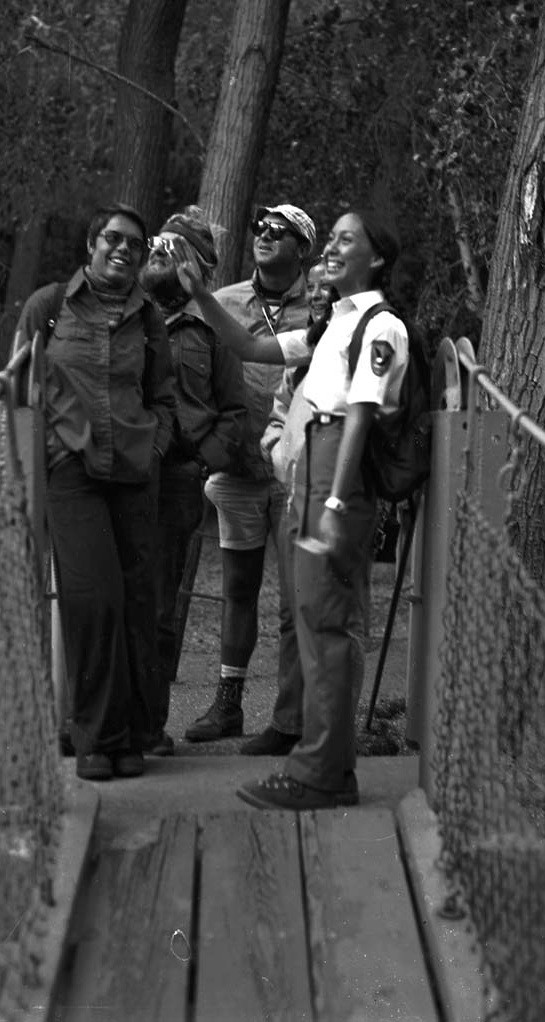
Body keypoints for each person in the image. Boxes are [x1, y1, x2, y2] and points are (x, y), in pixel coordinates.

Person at [172, 209, 409, 810]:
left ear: (376, 257)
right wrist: (199, 292)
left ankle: (321, 772)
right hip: (312, 469)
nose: (331, 247)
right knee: (312, 617)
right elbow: (248, 343)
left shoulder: (381, 327)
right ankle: (326, 766)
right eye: (329, 238)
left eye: (346, 239)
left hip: (335, 473)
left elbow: (360, 412)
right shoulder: (332, 324)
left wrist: (332, 499)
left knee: (328, 623)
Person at [12, 202, 176, 783]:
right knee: (92, 597)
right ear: (91, 245)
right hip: (71, 470)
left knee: (136, 603)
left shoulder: (150, 319)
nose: (125, 250)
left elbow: (165, 399)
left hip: (134, 474)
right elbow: (12, 386)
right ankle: (94, 737)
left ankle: (131, 737)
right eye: (114, 238)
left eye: (137, 243)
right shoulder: (49, 308)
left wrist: (155, 447)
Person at [182, 204, 318, 754]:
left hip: (295, 470)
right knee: (237, 590)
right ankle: (228, 703)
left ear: (303, 249)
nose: (263, 234)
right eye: (260, 227)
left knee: (295, 599)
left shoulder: (324, 309)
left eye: (278, 231)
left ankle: (291, 718)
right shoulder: (225, 301)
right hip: (237, 468)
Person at [138, 206, 247, 757]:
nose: (159, 250)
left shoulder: (212, 332)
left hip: (175, 482)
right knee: (106, 597)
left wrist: (201, 458)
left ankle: (147, 726)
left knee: (158, 607)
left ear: (196, 269)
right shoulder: (119, 312)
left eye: (172, 247)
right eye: (155, 242)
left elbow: (235, 411)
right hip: (119, 476)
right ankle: (99, 720)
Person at [246, 260, 334, 756]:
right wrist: (275, 445)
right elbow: (282, 407)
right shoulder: (306, 348)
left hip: (332, 494)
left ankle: (321, 729)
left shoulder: (356, 340)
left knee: (325, 613)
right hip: (292, 492)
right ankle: (287, 721)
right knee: (289, 611)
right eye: (314, 285)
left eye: (327, 285)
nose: (318, 293)